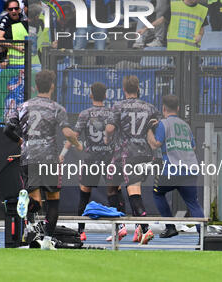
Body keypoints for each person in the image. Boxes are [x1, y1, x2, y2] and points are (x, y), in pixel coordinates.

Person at [4, 70, 80, 250]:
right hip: (49, 159)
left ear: (35, 87)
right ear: (52, 86)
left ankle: (29, 214)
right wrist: (77, 144)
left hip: (29, 156)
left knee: (35, 200)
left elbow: (7, 129)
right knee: (53, 200)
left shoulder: (23, 107)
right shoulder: (57, 108)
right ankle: (47, 241)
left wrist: (21, 141)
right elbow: (67, 133)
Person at [105, 75, 160, 245]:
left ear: (123, 89)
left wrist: (108, 136)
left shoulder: (118, 106)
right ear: (138, 88)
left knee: (119, 188)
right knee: (129, 186)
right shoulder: (150, 108)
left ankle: (142, 227)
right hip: (144, 152)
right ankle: (136, 227)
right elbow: (156, 126)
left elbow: (110, 128)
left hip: (125, 152)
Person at [150, 94, 204, 239]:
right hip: (190, 169)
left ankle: (170, 227)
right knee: (193, 203)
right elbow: (193, 147)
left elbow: (156, 144)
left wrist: (149, 130)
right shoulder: (185, 125)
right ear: (178, 108)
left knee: (157, 193)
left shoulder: (163, 123)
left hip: (172, 169)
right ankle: (204, 236)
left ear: (163, 108)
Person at [71, 82, 117, 242]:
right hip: (108, 157)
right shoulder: (111, 113)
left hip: (90, 158)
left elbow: (74, 135)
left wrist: (69, 150)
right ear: (105, 96)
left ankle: (81, 231)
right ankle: (117, 229)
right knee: (113, 192)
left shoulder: (85, 114)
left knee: (84, 194)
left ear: (91, 95)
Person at [142, 0, 208, 51]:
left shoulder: (202, 10)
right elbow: (161, 20)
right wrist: (146, 28)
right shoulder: (175, 6)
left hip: (192, 50)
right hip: (175, 50)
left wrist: (200, 35)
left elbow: (201, 28)